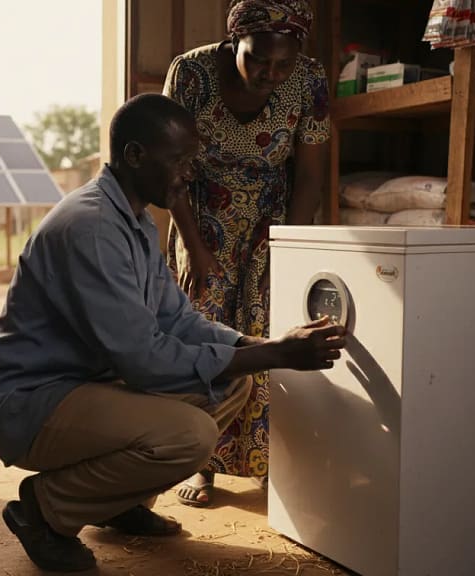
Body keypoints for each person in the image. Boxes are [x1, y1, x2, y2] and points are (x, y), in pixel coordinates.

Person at [0, 93, 345, 573]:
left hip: (83, 384)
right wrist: (275, 354)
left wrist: (261, 347)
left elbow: (178, 319)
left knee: (233, 382)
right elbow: (143, 359)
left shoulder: (132, 219)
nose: (189, 174)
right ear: (134, 155)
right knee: (188, 436)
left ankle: (111, 502)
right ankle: (42, 511)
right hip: (31, 402)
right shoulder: (91, 228)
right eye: (180, 160)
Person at [162, 0, 331, 507]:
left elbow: (310, 176)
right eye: (259, 59)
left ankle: (261, 459)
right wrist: (192, 246)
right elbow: (169, 169)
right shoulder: (190, 72)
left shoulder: (310, 79)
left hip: (270, 221)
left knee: (266, 333)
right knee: (205, 335)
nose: (271, 74)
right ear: (237, 41)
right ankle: (202, 465)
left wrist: (291, 250)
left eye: (284, 64)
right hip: (202, 216)